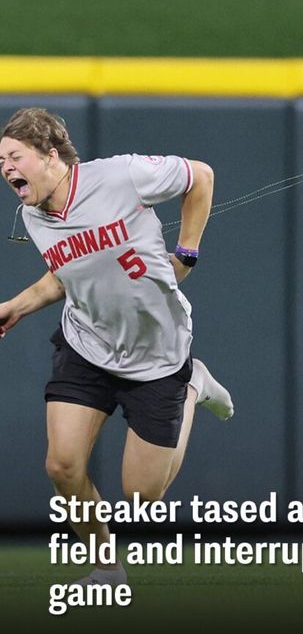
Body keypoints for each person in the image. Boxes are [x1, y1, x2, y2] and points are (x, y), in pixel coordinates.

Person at [0, 107, 234, 586]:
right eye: (1, 161)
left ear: (49, 156)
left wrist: (186, 251)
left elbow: (201, 177)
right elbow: (68, 273)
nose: (5, 168)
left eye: (14, 156)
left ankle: (193, 387)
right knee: (62, 465)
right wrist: (18, 305)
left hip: (157, 353)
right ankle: (107, 568)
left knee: (142, 497)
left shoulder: (121, 175)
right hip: (86, 344)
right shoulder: (32, 215)